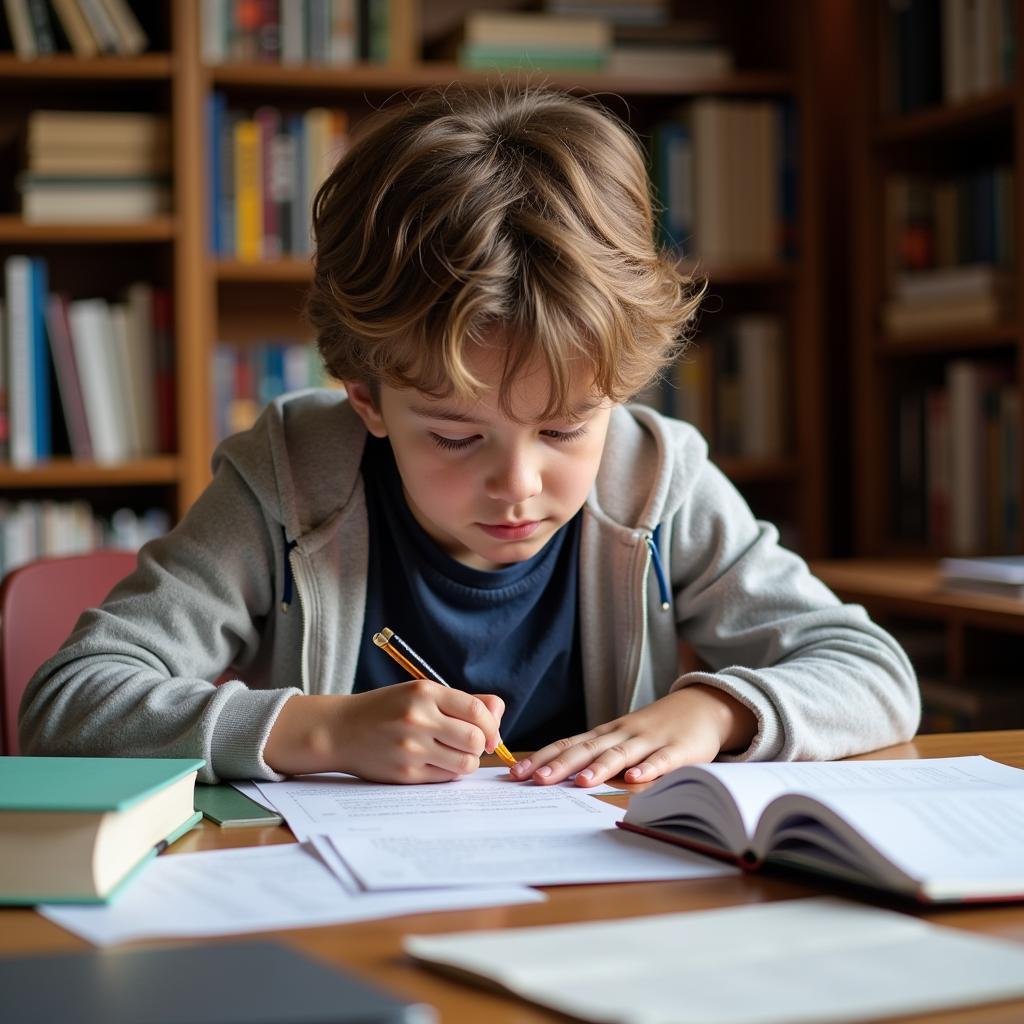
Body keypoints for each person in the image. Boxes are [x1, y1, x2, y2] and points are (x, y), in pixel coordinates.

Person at [20, 86, 919, 788]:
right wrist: (321, 731)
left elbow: (875, 673)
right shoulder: (289, 476)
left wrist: (719, 711)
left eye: (566, 427)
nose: (519, 484)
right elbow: (66, 705)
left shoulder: (656, 475)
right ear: (367, 399)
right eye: (456, 437)